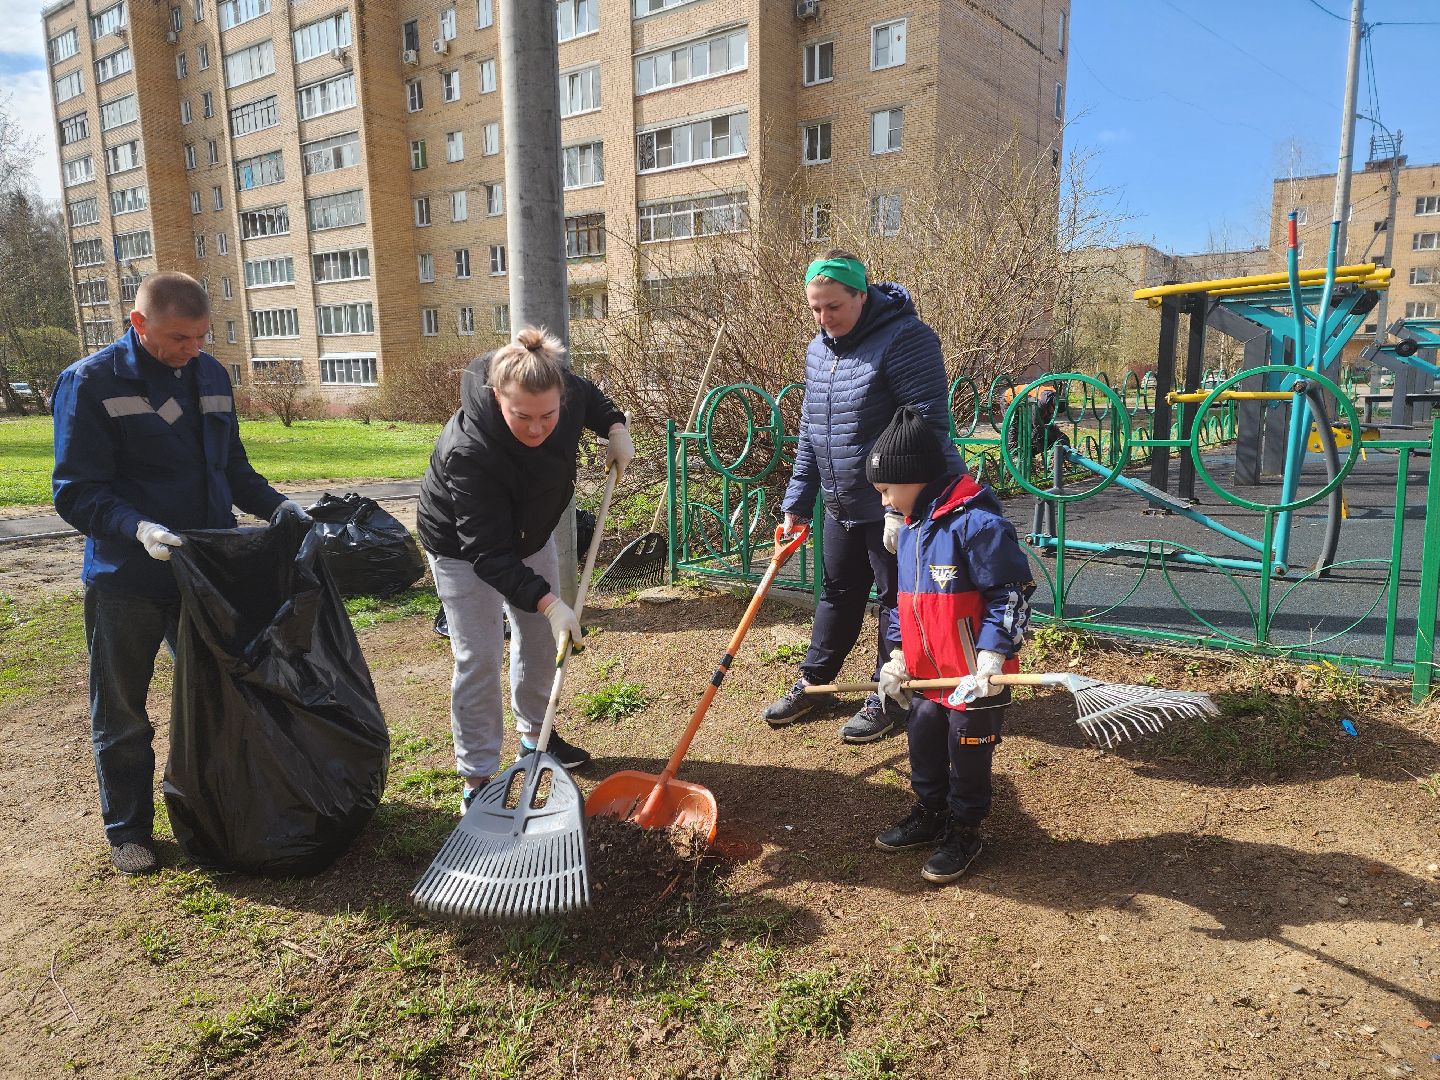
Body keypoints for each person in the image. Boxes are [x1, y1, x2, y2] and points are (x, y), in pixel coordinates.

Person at [52, 271, 305, 876]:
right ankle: (129, 830)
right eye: (177, 338)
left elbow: (232, 469)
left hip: (204, 572)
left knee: (222, 697)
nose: (191, 349)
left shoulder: (211, 375)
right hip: (127, 580)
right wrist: (138, 527)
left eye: (200, 336)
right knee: (121, 711)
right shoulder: (90, 384)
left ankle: (225, 808)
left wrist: (278, 506)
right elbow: (75, 491)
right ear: (137, 324)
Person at [417, 326, 633, 812]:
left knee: (538, 639)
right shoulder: (469, 451)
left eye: (548, 416)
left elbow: (591, 398)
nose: (537, 429)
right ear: (497, 396)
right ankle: (476, 777)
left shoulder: (566, 391)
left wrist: (615, 427)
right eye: (522, 416)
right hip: (462, 547)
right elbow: (487, 554)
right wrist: (551, 602)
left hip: (530, 532)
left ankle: (538, 737)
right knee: (479, 655)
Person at [764, 250, 966, 743]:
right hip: (840, 500)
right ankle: (816, 683)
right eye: (814, 308)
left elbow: (925, 426)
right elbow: (812, 430)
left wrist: (903, 504)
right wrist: (796, 502)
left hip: (892, 503)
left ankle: (887, 694)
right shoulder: (819, 349)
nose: (823, 319)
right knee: (836, 592)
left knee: (896, 600)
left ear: (862, 294)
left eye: (833, 307)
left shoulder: (907, 339)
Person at [865, 406, 1034, 883]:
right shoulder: (911, 529)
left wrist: (992, 654)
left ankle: (965, 827)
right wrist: (897, 655)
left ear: (914, 478)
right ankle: (930, 810)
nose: (883, 502)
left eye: (886, 491)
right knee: (921, 736)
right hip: (928, 675)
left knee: (968, 749)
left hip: (974, 677)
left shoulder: (978, 526)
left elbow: (1012, 593)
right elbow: (902, 604)